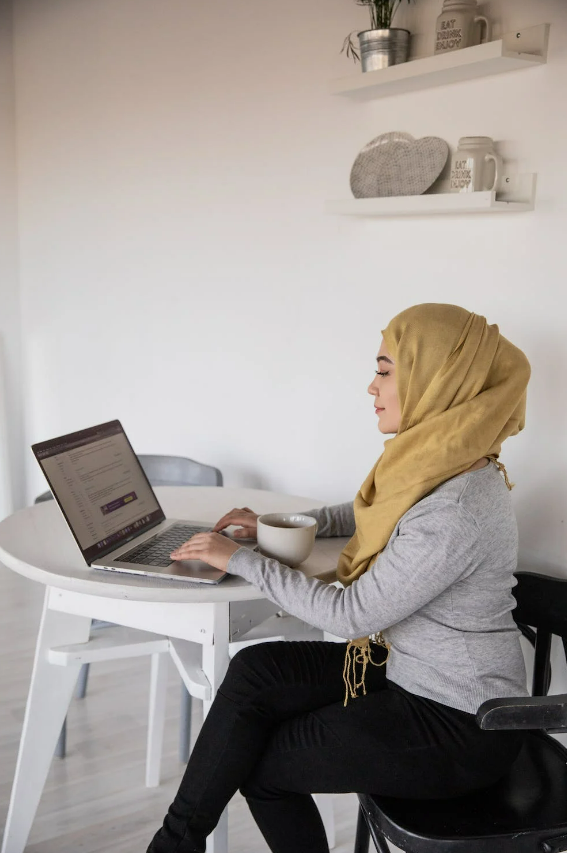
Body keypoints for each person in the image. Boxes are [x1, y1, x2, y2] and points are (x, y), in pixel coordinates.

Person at [146, 303, 531, 853]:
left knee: (266, 767)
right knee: (257, 669)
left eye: (384, 370)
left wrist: (239, 559)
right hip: (409, 671)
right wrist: (276, 527)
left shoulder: (458, 510)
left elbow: (349, 613)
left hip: (459, 724)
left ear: (435, 381)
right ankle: (173, 844)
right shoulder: (445, 460)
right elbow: (375, 509)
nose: (370, 387)